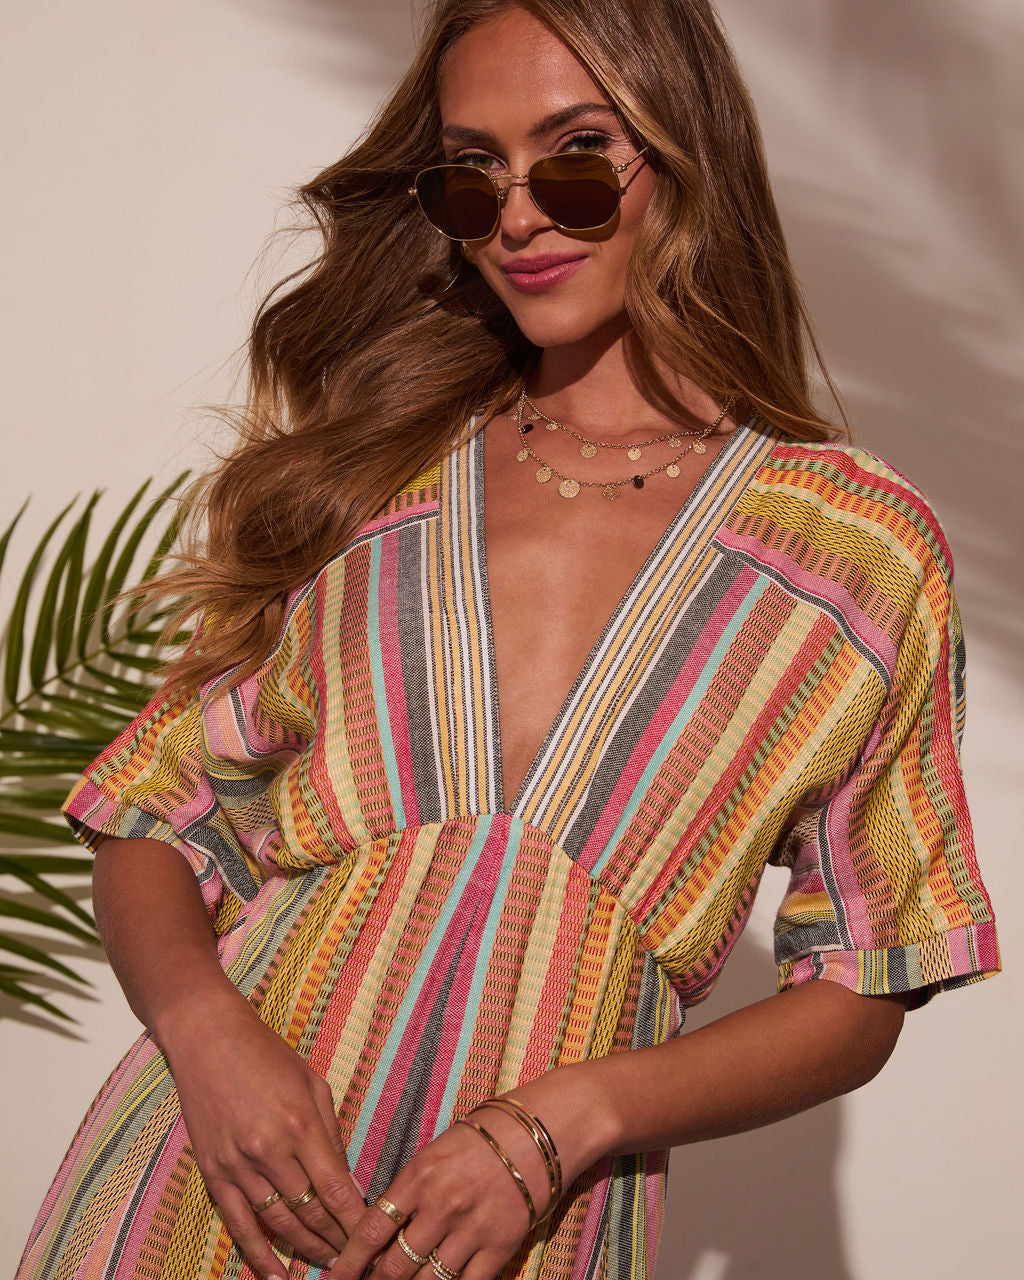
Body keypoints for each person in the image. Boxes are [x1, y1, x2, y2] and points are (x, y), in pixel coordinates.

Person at [17, 2, 999, 1279]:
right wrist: (207, 1035)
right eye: (472, 177)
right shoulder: (371, 474)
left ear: (683, 155)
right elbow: (151, 811)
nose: (519, 220)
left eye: (575, 160)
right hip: (214, 1178)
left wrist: (567, 1118)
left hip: (522, 1231)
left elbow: (866, 981)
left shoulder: (852, 549)